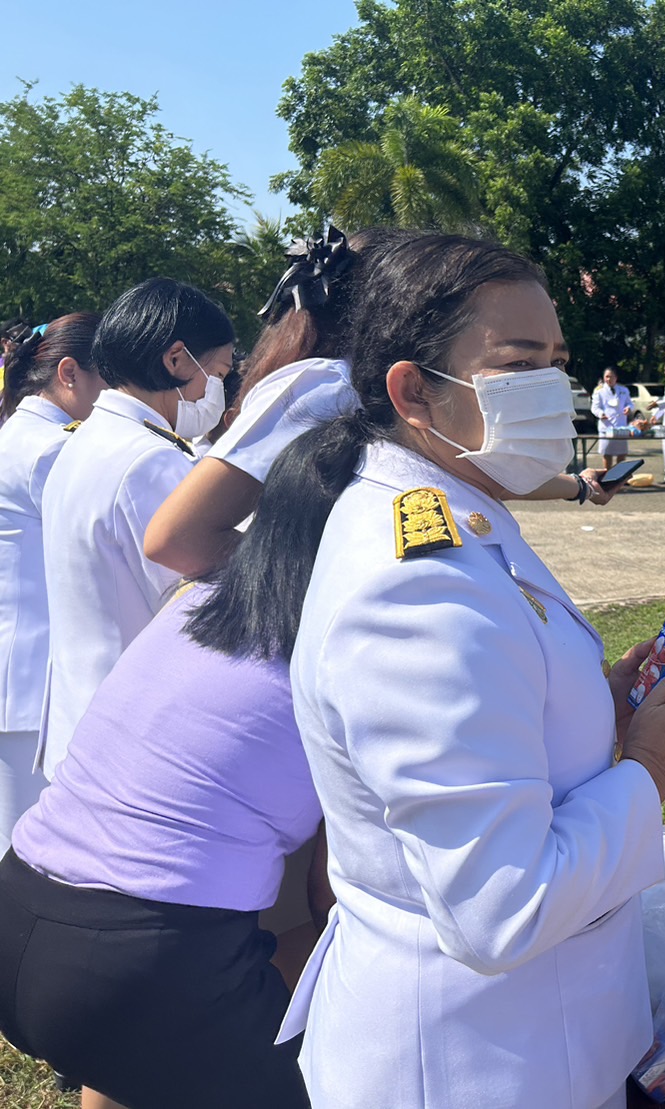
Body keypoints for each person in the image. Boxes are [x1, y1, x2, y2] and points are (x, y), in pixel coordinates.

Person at [269, 234, 665, 1109]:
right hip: (473, 1063)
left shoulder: (458, 509)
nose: (553, 389)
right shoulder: (413, 589)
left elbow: (496, 713)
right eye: (518, 362)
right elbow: (502, 904)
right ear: (413, 389)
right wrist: (650, 767)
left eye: (558, 362)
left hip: (536, 1040)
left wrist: (600, 705)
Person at [0, 437, 342, 1106]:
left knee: (139, 1040)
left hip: (20, 915)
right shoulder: (344, 640)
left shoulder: (203, 596)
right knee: (367, 965)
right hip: (139, 968)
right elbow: (339, 895)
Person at [146, 227, 618, 581]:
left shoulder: (381, 389)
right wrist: (324, 580)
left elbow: (486, 470)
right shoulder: (328, 387)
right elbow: (177, 537)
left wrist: (576, 486)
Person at [38, 279, 234, 779]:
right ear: (176, 360)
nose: (215, 387)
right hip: (131, 741)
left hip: (83, 722)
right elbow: (200, 612)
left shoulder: (87, 439)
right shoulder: (151, 461)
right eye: (215, 371)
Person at [0, 315, 104, 853]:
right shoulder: (48, 448)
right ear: (69, 373)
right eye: (107, 378)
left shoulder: (23, 433)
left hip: (22, 680)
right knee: (21, 852)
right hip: (28, 687)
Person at [592, 366, 634, 471]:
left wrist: (629, 408)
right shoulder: (599, 391)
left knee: (622, 454)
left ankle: (620, 477)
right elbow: (594, 407)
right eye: (606, 377)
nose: (608, 379)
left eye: (611, 377)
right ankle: (608, 477)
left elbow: (630, 403)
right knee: (607, 454)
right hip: (606, 426)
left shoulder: (624, 390)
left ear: (616, 377)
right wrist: (601, 414)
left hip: (621, 426)